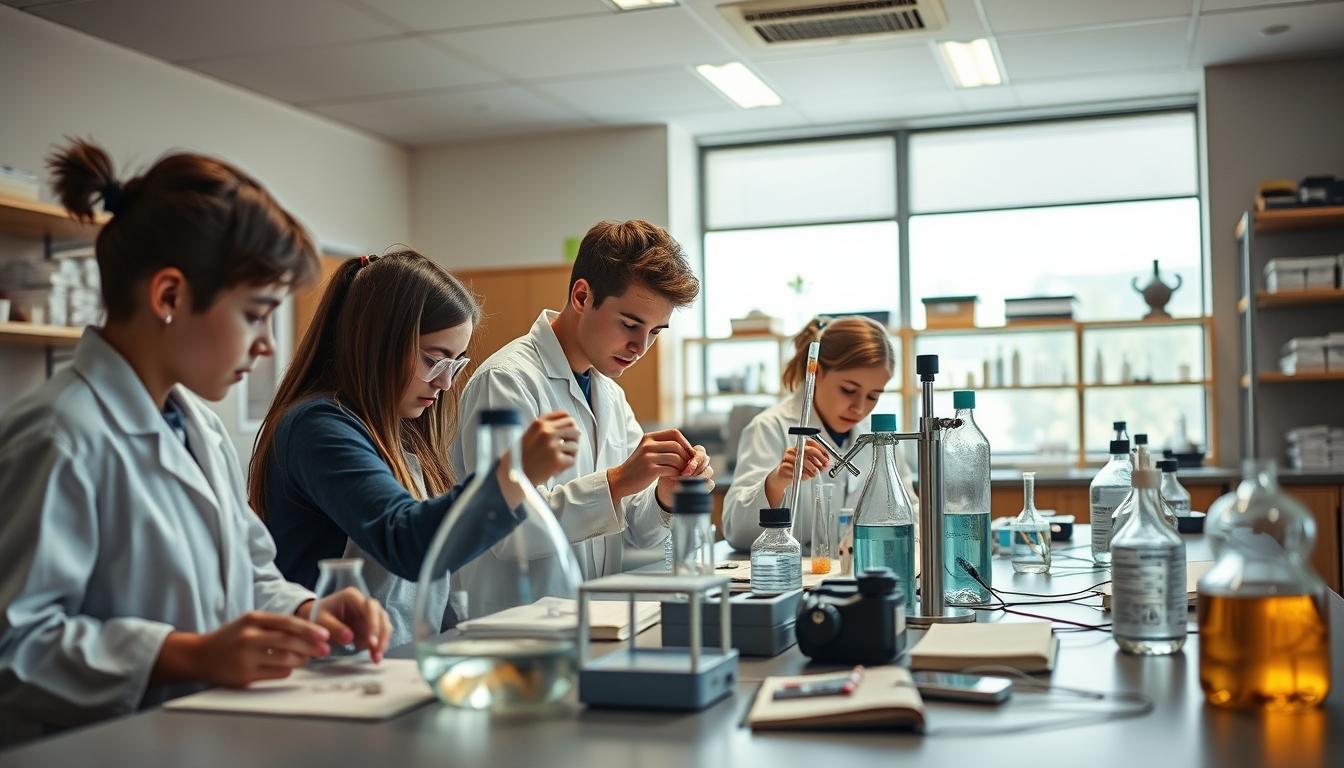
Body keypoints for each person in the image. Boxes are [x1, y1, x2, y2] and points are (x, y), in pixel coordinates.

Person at [0, 140, 389, 745]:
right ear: (170, 297)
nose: (267, 346)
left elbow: (249, 572)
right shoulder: (60, 434)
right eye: (255, 314)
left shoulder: (198, 426)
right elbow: (16, 647)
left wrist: (307, 611)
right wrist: (186, 655)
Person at [249, 250, 580, 645]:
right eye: (433, 360)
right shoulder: (318, 427)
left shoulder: (399, 430)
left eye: (455, 364)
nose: (444, 383)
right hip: (327, 669)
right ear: (377, 344)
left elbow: (430, 587)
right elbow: (408, 543)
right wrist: (514, 474)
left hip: (387, 666)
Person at [452, 219, 711, 617]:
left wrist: (665, 494)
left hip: (588, 623)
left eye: (656, 332)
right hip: (512, 627)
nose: (640, 347)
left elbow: (638, 532)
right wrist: (619, 479)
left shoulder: (609, 391)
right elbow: (504, 530)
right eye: (630, 324)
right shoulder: (507, 381)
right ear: (582, 295)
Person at [722, 316, 917, 552]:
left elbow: (911, 519)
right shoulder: (770, 427)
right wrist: (777, 481)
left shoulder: (882, 439)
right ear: (817, 373)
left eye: (873, 396)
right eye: (848, 390)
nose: (860, 407)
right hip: (792, 579)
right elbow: (736, 532)